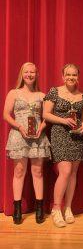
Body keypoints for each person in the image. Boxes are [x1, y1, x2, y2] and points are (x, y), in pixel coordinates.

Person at [3, 62, 51, 224]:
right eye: (26, 72)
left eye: (32, 72)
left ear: (37, 75)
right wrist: (19, 126)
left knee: (37, 172)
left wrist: (42, 127)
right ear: (22, 74)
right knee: (19, 171)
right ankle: (17, 208)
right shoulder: (14, 93)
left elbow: (47, 116)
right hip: (19, 135)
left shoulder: (42, 95)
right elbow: (6, 115)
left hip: (37, 136)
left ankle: (39, 207)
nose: (29, 74)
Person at [43, 63, 83, 228]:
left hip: (76, 137)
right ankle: (57, 209)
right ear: (63, 76)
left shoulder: (82, 96)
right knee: (65, 171)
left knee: (73, 173)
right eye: (68, 75)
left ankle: (68, 208)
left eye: (74, 75)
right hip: (59, 134)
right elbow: (46, 114)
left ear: (78, 76)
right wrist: (63, 120)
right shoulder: (54, 92)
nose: (71, 77)